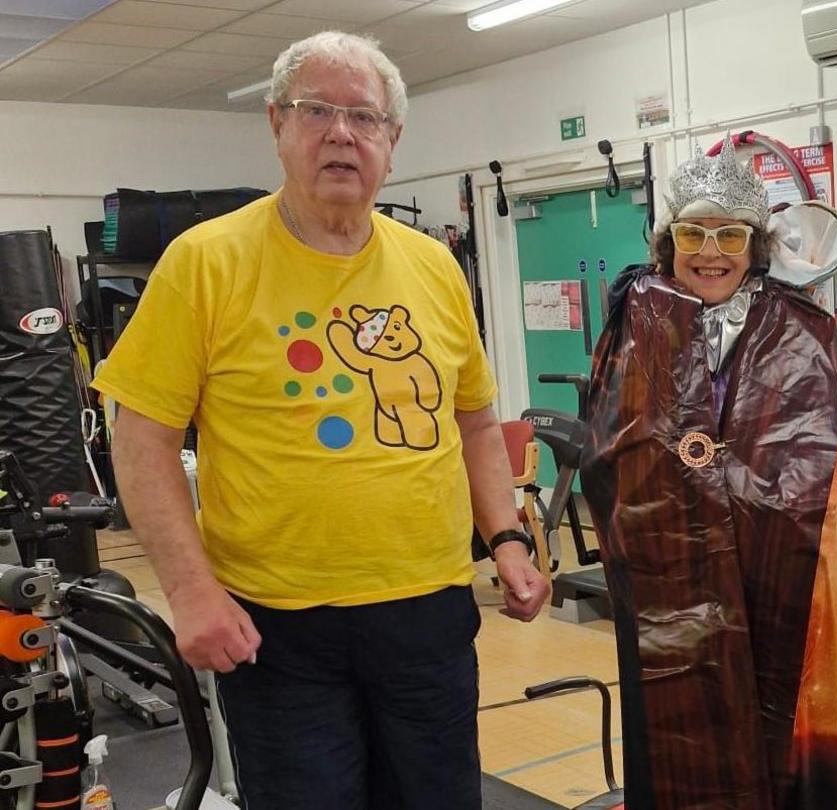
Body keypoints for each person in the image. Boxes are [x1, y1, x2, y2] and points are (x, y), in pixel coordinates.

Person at [93, 31, 549, 809]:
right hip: (277, 625)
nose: (342, 132)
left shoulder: (434, 267)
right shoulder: (206, 263)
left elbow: (474, 421)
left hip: (427, 612)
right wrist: (191, 592)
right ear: (277, 125)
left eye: (364, 117)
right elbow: (142, 437)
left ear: (392, 140)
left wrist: (505, 537)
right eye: (316, 111)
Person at [580, 139, 837, 809]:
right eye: (693, 232)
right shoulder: (635, 321)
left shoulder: (803, 328)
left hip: (776, 568)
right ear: (668, 241)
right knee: (675, 715)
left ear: (755, 244)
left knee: (777, 710)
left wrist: (735, 499)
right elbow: (607, 444)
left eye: (730, 234)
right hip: (666, 568)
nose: (710, 251)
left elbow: (826, 456)